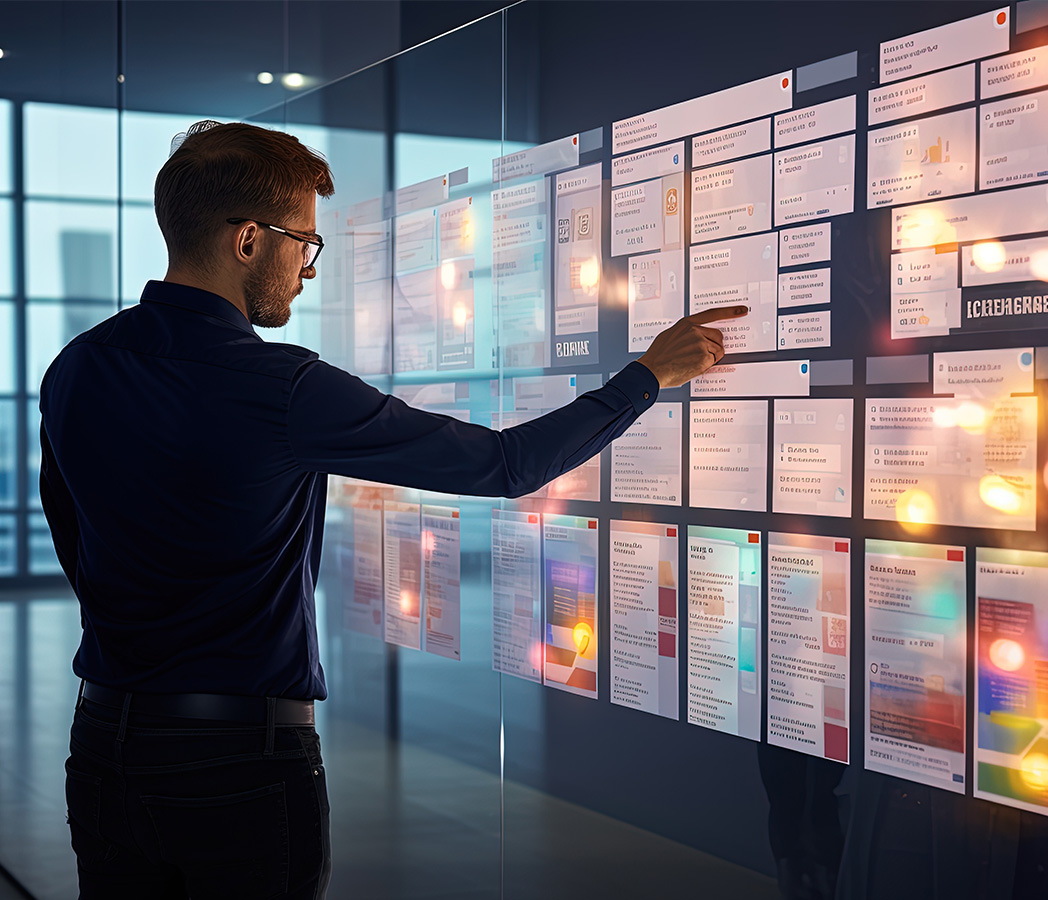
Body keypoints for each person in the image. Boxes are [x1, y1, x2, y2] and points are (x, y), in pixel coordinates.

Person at [39, 119, 747, 899]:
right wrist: (645, 376)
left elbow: (75, 540)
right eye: (302, 243)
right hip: (238, 762)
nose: (308, 268)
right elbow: (505, 465)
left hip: (105, 743)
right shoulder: (283, 388)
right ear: (248, 241)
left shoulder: (78, 368)